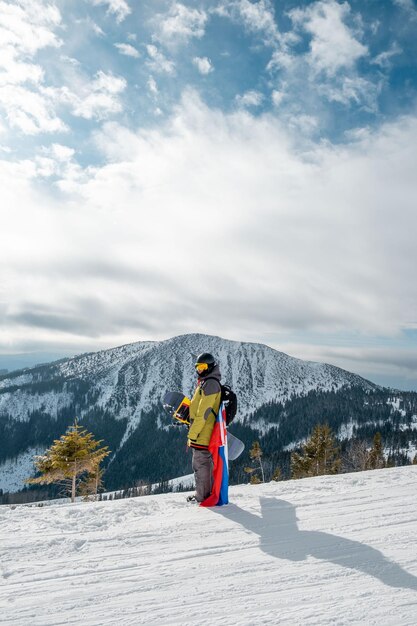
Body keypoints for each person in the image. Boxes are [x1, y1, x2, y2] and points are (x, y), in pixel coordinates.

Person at [187, 352, 222, 503]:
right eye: (197, 367)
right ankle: (204, 493)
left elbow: (203, 414)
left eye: (202, 367)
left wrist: (192, 435)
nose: (199, 370)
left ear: (210, 366)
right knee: (203, 465)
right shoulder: (206, 382)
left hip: (202, 434)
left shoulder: (210, 384)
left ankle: (202, 496)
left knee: (200, 465)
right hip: (202, 432)